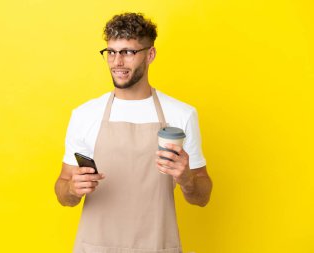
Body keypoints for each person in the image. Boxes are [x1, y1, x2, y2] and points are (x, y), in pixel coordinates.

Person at [54, 12, 212, 253]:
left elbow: (202, 197)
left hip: (157, 245)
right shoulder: (85, 115)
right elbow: (63, 191)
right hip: (96, 247)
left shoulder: (181, 115)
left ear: (150, 54)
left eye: (128, 52)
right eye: (111, 52)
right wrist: (73, 189)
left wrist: (187, 179)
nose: (117, 62)